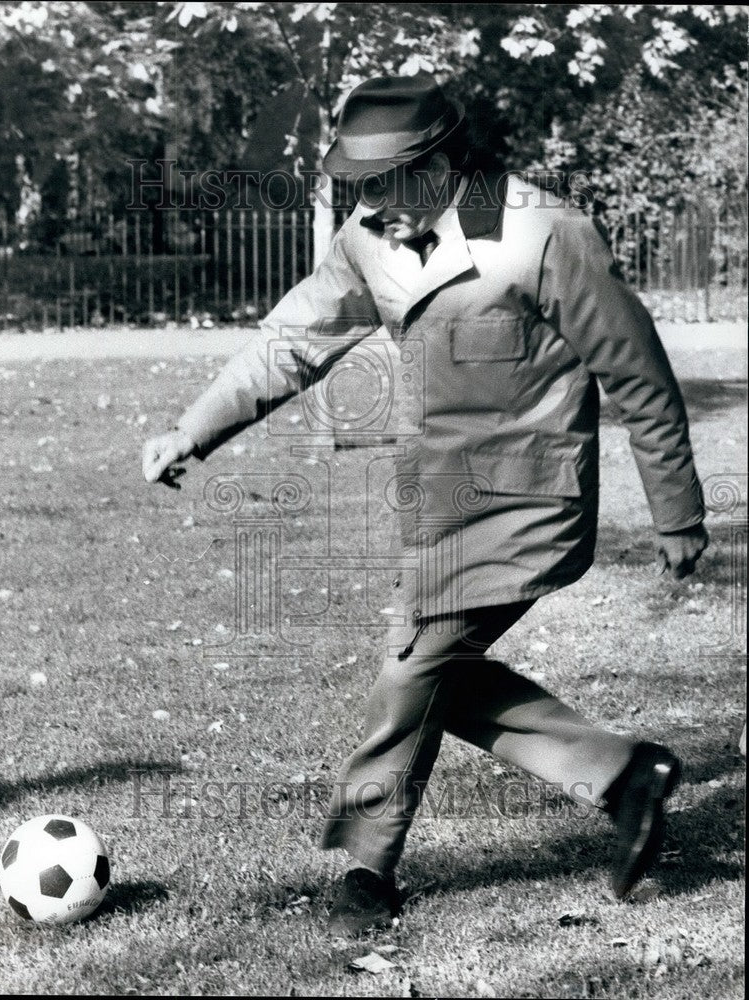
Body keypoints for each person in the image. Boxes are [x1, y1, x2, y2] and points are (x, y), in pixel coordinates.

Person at [142, 74, 709, 936]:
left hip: (531, 498)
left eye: (389, 181)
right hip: (440, 505)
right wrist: (193, 430)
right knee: (438, 669)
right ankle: (624, 775)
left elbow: (637, 374)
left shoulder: (540, 234)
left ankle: (366, 869)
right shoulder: (371, 237)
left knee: (414, 664)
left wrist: (677, 513)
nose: (371, 203)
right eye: (359, 185)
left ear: (443, 162)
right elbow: (294, 343)